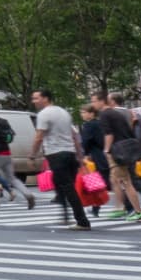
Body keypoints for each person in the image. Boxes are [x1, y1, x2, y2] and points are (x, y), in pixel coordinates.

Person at [31, 88, 90, 231]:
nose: (34, 101)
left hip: (56, 154)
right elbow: (74, 136)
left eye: (36, 98)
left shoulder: (44, 114)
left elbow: (39, 136)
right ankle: (65, 214)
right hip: (69, 153)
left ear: (46, 98)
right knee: (60, 184)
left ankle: (82, 221)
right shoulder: (64, 112)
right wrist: (79, 156)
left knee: (68, 188)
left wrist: (32, 154)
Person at [97, 91, 141, 222]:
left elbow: (109, 134)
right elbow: (129, 131)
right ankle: (120, 208)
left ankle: (138, 211)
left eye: (94, 101)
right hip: (125, 150)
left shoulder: (105, 114)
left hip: (118, 152)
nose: (93, 104)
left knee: (126, 181)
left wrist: (106, 150)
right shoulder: (117, 113)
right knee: (114, 179)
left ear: (102, 101)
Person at [0, 104, 34, 211]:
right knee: (12, 178)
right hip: (7, 152)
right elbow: (11, 134)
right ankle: (27, 194)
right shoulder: (3, 121)